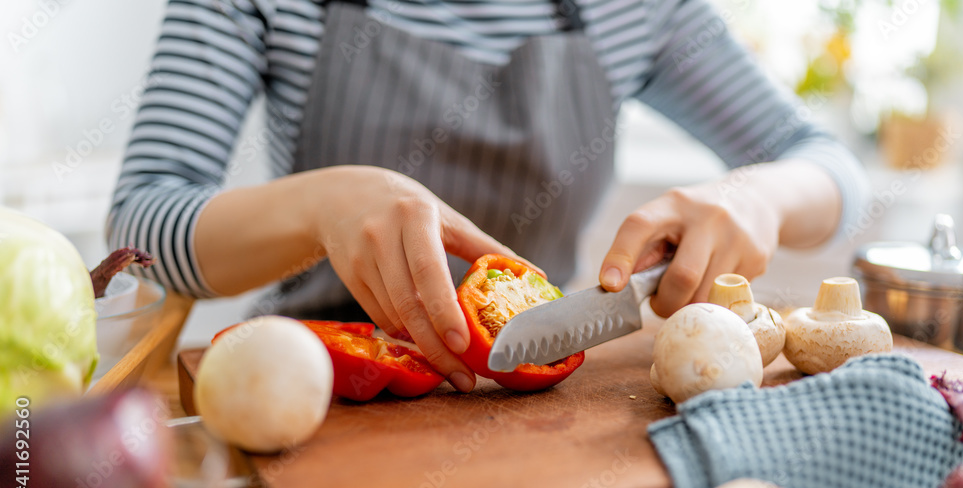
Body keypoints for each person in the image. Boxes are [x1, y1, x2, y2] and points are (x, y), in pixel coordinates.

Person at [107, 0, 869, 393]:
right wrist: (321, 205)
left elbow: (830, 167)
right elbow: (140, 219)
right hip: (304, 389)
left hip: (530, 396)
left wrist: (757, 196)